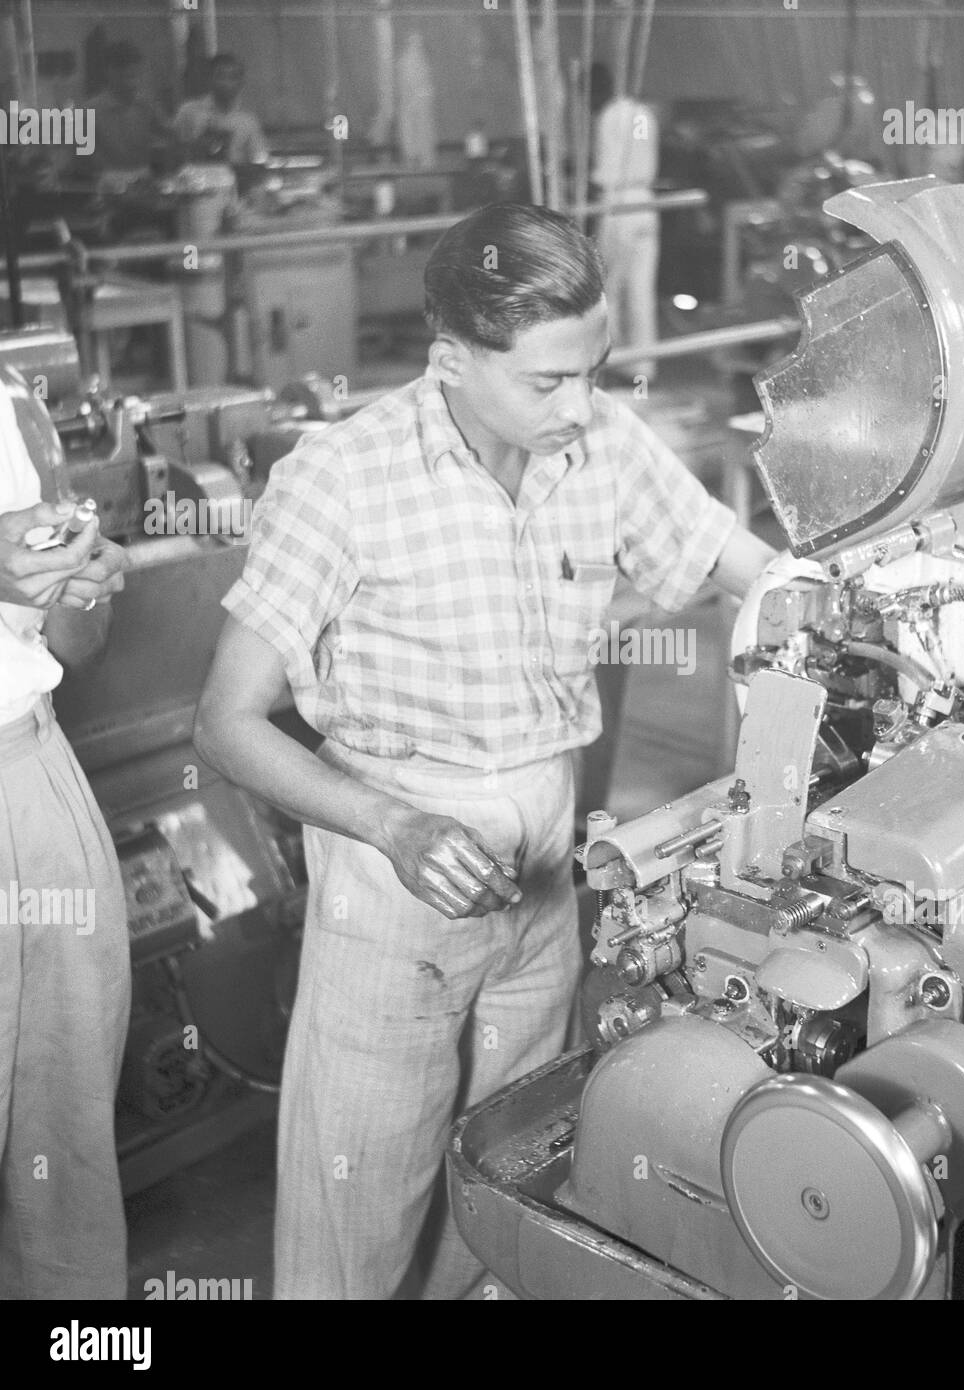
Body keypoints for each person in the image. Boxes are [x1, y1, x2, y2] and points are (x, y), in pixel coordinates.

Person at [194, 201, 774, 1300]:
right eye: (547, 382)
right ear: (450, 360)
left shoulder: (595, 438)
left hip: (542, 865)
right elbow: (224, 722)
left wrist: (870, 605)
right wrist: (391, 822)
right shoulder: (345, 477)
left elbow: (742, 564)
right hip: (394, 870)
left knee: (504, 1176)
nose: (581, 404)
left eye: (594, 370)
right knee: (355, 1203)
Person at [0, 386, 130, 1298]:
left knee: (65, 1145)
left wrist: (84, 581)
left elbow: (75, 645)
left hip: (26, 777)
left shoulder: (8, 406)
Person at [590, 63, 660, 381]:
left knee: (612, 288)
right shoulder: (645, 113)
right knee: (641, 289)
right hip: (645, 202)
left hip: (618, 203)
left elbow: (607, 167)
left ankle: (616, 360)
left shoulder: (609, 117)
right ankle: (644, 366)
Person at [88, 41, 170, 179]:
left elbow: (169, 136)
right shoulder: (88, 111)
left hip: (146, 182)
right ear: (110, 73)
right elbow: (81, 164)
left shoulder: (148, 105)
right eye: (128, 76)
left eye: (137, 75)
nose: (134, 83)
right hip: (107, 186)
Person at [173, 52, 269, 168]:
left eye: (233, 77)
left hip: (236, 180)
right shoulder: (189, 111)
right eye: (220, 76)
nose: (226, 83)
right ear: (209, 78)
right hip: (196, 180)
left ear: (241, 83)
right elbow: (174, 150)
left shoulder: (248, 121)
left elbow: (259, 158)